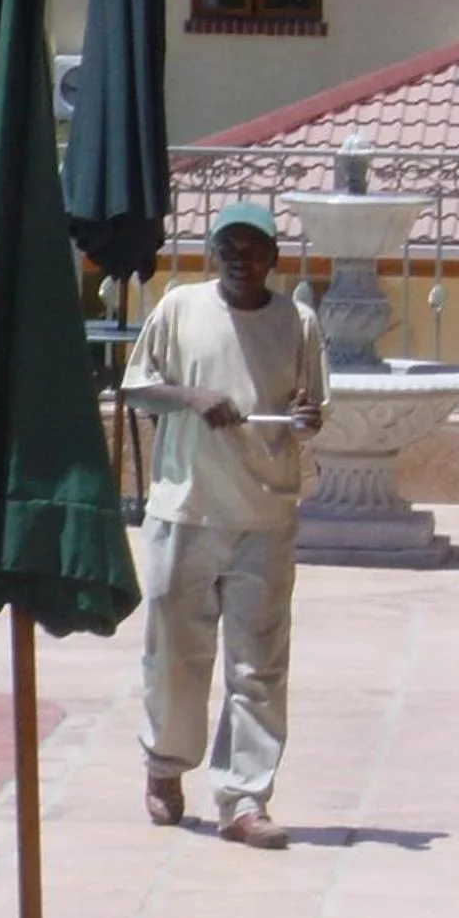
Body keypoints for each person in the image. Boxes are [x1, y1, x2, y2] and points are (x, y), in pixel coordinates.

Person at [120, 201, 328, 850]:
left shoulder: (298, 321)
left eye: (254, 249)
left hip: (264, 516)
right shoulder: (179, 309)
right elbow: (137, 388)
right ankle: (165, 765)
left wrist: (304, 416)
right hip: (184, 511)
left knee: (259, 666)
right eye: (230, 248)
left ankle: (244, 797)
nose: (242, 259)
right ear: (214, 254)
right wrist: (191, 398)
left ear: (274, 258)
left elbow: (312, 409)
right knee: (176, 656)